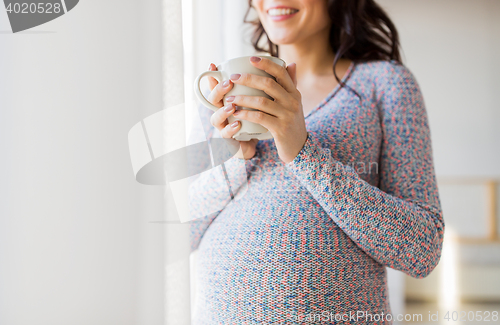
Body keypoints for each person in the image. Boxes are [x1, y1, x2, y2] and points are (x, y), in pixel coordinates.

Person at [188, 0, 445, 324]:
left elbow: (422, 250)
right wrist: (235, 160)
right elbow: (181, 235)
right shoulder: (220, 97)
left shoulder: (385, 84)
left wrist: (303, 152)